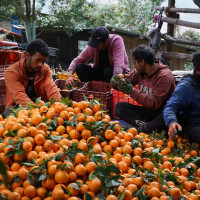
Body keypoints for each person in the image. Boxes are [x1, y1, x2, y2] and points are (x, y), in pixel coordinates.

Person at [111, 44, 176, 134]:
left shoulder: (164, 75)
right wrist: (115, 81)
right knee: (120, 107)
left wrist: (132, 91)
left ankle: (147, 128)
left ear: (142, 62)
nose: (134, 66)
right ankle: (147, 126)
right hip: (148, 111)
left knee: (165, 115)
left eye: (134, 63)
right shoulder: (140, 72)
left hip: (161, 112)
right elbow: (127, 80)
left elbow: (154, 103)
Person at [4, 38, 61, 117]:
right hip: (21, 108)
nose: (40, 64)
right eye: (38, 60)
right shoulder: (12, 72)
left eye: (43, 61)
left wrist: (61, 106)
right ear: (27, 55)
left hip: (41, 107)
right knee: (9, 111)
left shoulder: (45, 69)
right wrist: (36, 112)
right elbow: (19, 96)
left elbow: (52, 89)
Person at [66, 26, 130, 85]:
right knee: (80, 68)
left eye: (97, 44)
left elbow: (118, 66)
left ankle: (109, 92)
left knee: (108, 71)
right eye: (93, 43)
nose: (95, 46)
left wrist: (114, 84)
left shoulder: (116, 41)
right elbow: (76, 61)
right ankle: (90, 90)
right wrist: (69, 75)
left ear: (106, 42)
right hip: (102, 73)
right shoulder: (93, 46)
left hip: (118, 74)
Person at [164, 50, 200, 142]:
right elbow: (170, 106)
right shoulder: (187, 86)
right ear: (198, 71)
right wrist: (172, 122)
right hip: (193, 124)